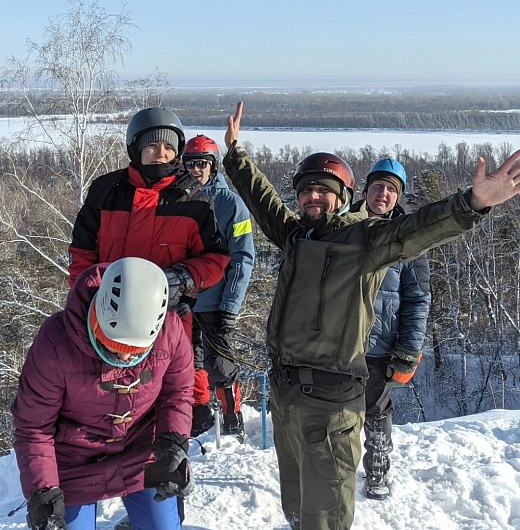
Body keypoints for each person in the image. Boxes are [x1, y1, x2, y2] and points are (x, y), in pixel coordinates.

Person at [220, 101, 520, 530]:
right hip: (285, 397)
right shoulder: (294, 236)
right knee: (295, 506)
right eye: (306, 190)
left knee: (324, 518)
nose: (312, 197)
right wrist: (235, 153)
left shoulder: (364, 241)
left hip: (331, 403)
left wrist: (473, 203)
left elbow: (417, 229)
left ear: (343, 198)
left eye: (323, 190)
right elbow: (262, 198)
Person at [68, 107, 230, 418]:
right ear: (136, 148)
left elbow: (216, 258)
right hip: (106, 319)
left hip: (166, 320)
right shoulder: (107, 191)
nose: (161, 154)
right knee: (109, 404)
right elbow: (82, 252)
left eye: (169, 147)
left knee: (164, 404)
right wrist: (84, 297)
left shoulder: (195, 201)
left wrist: (184, 278)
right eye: (152, 146)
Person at [13, 257, 195, 530]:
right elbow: (33, 426)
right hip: (74, 463)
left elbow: (178, 393)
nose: (122, 355)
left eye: (134, 351)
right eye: (112, 342)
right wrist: (43, 491)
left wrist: (172, 443)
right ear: (97, 313)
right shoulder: (55, 342)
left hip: (140, 451)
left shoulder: (171, 331)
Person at [351, 158, 431, 500]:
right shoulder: (345, 224)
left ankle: (377, 471)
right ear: (365, 189)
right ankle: (332, 475)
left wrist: (409, 349)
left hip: (379, 346)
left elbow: (418, 298)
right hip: (337, 341)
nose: (382, 194)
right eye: (377, 186)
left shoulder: (409, 240)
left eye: (391, 189)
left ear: (398, 197)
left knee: (376, 412)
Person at [182, 135, 255, 440]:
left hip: (216, 300)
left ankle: (231, 413)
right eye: (190, 164)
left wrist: (230, 306)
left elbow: (243, 257)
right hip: (183, 299)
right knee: (187, 361)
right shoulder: (177, 200)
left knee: (220, 363)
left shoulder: (231, 204)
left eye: (202, 164)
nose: (195, 170)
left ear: (212, 166)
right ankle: (199, 415)